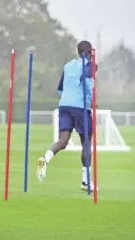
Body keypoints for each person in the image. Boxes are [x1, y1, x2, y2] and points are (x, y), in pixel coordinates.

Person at [36, 40, 98, 192]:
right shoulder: (91, 64)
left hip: (64, 105)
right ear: (90, 52)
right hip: (80, 106)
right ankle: (85, 181)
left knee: (63, 140)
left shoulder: (68, 65)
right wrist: (91, 101)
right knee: (86, 143)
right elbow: (88, 82)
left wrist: (69, 97)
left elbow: (60, 89)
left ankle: (46, 158)